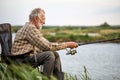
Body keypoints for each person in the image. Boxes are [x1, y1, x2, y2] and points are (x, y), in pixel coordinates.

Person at [11, 8, 78, 80]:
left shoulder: (29, 27)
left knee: (55, 54)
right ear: (36, 18)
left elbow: (41, 48)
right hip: (20, 59)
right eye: (43, 19)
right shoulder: (30, 28)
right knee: (49, 55)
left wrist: (64, 45)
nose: (44, 22)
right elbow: (48, 46)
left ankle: (59, 79)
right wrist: (67, 44)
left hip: (24, 57)